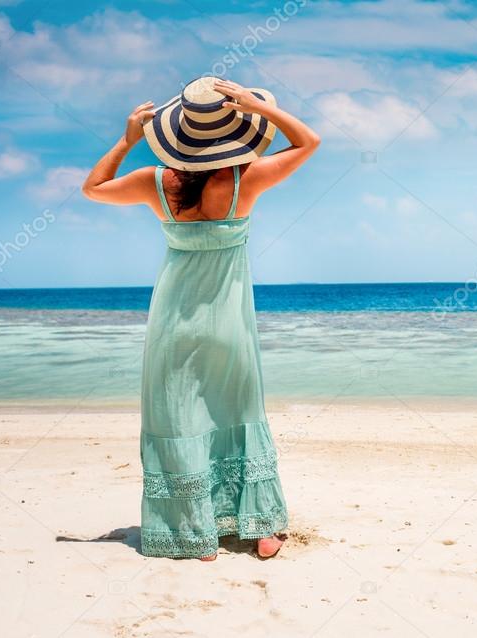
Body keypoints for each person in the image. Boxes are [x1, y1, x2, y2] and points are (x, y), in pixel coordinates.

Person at [82, 76, 320, 560]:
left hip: (173, 321)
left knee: (178, 416)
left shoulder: (156, 184)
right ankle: (262, 530)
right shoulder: (245, 180)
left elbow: (93, 188)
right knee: (239, 413)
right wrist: (261, 108)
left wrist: (127, 141)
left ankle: (195, 534)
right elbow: (308, 142)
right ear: (234, 133)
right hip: (229, 321)